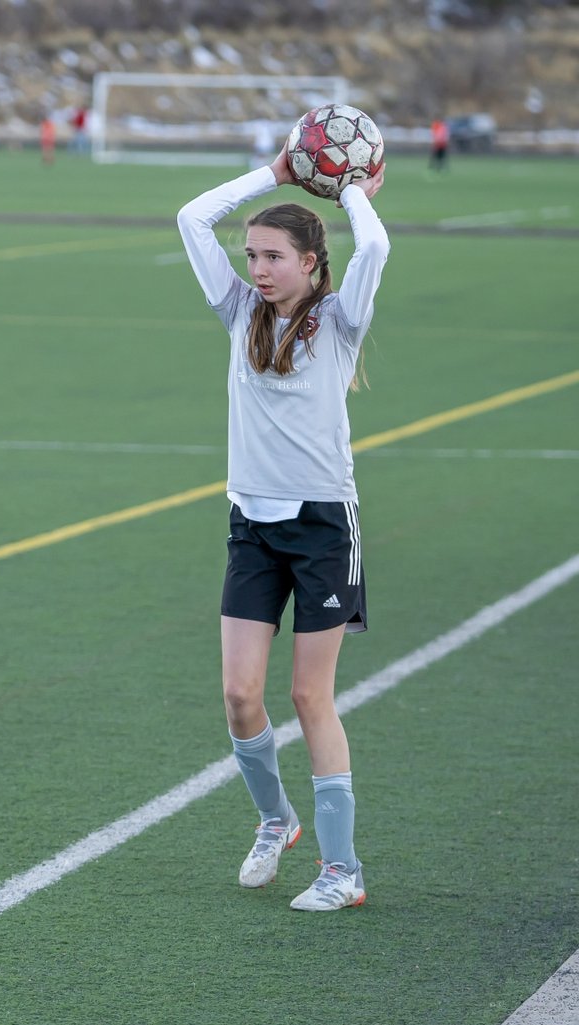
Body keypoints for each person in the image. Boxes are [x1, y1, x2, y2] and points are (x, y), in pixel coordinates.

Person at [176, 145, 390, 912]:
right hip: (252, 526)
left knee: (308, 695)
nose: (258, 269)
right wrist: (273, 173)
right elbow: (191, 217)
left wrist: (352, 190)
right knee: (239, 695)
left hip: (323, 526)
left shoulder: (338, 321)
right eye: (251, 256)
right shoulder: (240, 313)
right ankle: (276, 820)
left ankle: (343, 870)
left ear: (309, 262)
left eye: (273, 256)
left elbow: (375, 248)